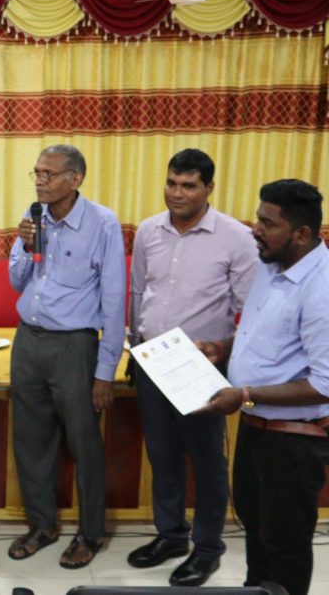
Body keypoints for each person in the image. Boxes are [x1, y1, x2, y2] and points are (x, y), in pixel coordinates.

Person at [126, 149, 258, 586]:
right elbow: (138, 292)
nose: (176, 193)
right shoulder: (149, 230)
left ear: (208, 188)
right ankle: (171, 536)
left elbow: (253, 314)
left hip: (201, 368)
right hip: (152, 361)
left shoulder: (236, 238)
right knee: (162, 456)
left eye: (188, 185)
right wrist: (135, 347)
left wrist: (224, 350)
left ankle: (207, 548)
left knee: (206, 463)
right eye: (171, 183)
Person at [200, 179, 329, 595]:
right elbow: (261, 335)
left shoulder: (322, 289)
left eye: (267, 223)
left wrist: (244, 394)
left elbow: (325, 384)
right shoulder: (271, 265)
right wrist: (223, 348)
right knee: (255, 532)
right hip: (256, 428)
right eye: (258, 218)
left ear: (302, 233)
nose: (255, 229)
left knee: (285, 546)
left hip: (294, 443)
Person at [6, 144, 125, 569]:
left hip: (74, 346)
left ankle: (90, 533)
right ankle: (42, 525)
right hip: (28, 340)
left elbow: (114, 300)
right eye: (37, 173)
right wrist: (25, 246)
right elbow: (17, 281)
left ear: (75, 179)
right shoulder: (34, 215)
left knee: (84, 443)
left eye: (49, 174)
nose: (40, 181)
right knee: (30, 441)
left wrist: (105, 371)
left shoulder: (102, 223)